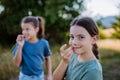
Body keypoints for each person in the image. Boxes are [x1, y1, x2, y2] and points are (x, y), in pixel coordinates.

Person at [12, 16, 52, 80]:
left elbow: (48, 59)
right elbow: (17, 64)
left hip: (40, 77)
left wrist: (49, 75)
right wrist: (20, 47)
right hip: (24, 77)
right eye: (23, 29)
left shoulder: (44, 43)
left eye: (27, 29)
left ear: (36, 29)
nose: (24, 32)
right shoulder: (21, 43)